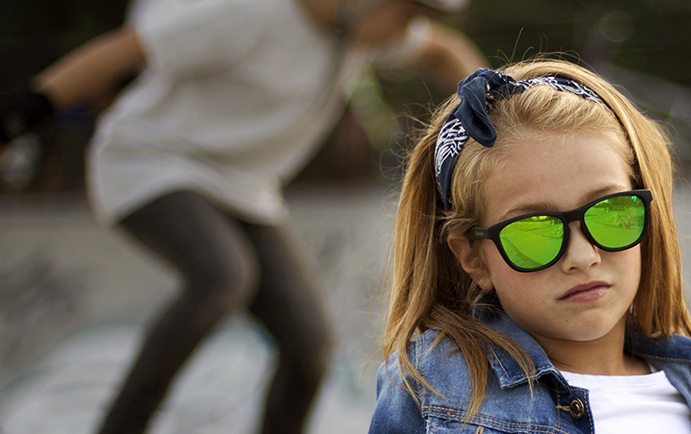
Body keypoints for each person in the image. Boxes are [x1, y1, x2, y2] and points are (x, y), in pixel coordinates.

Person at [0, 0, 486, 433]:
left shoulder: (359, 31)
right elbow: (126, 49)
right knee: (223, 274)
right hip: (149, 161)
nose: (409, 32)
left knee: (310, 343)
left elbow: (445, 51)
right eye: (407, 14)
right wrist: (23, 113)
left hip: (243, 189)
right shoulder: (250, 12)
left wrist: (493, 101)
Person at [369, 59, 691, 433]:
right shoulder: (433, 388)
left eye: (609, 213)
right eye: (534, 231)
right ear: (472, 258)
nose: (583, 257)